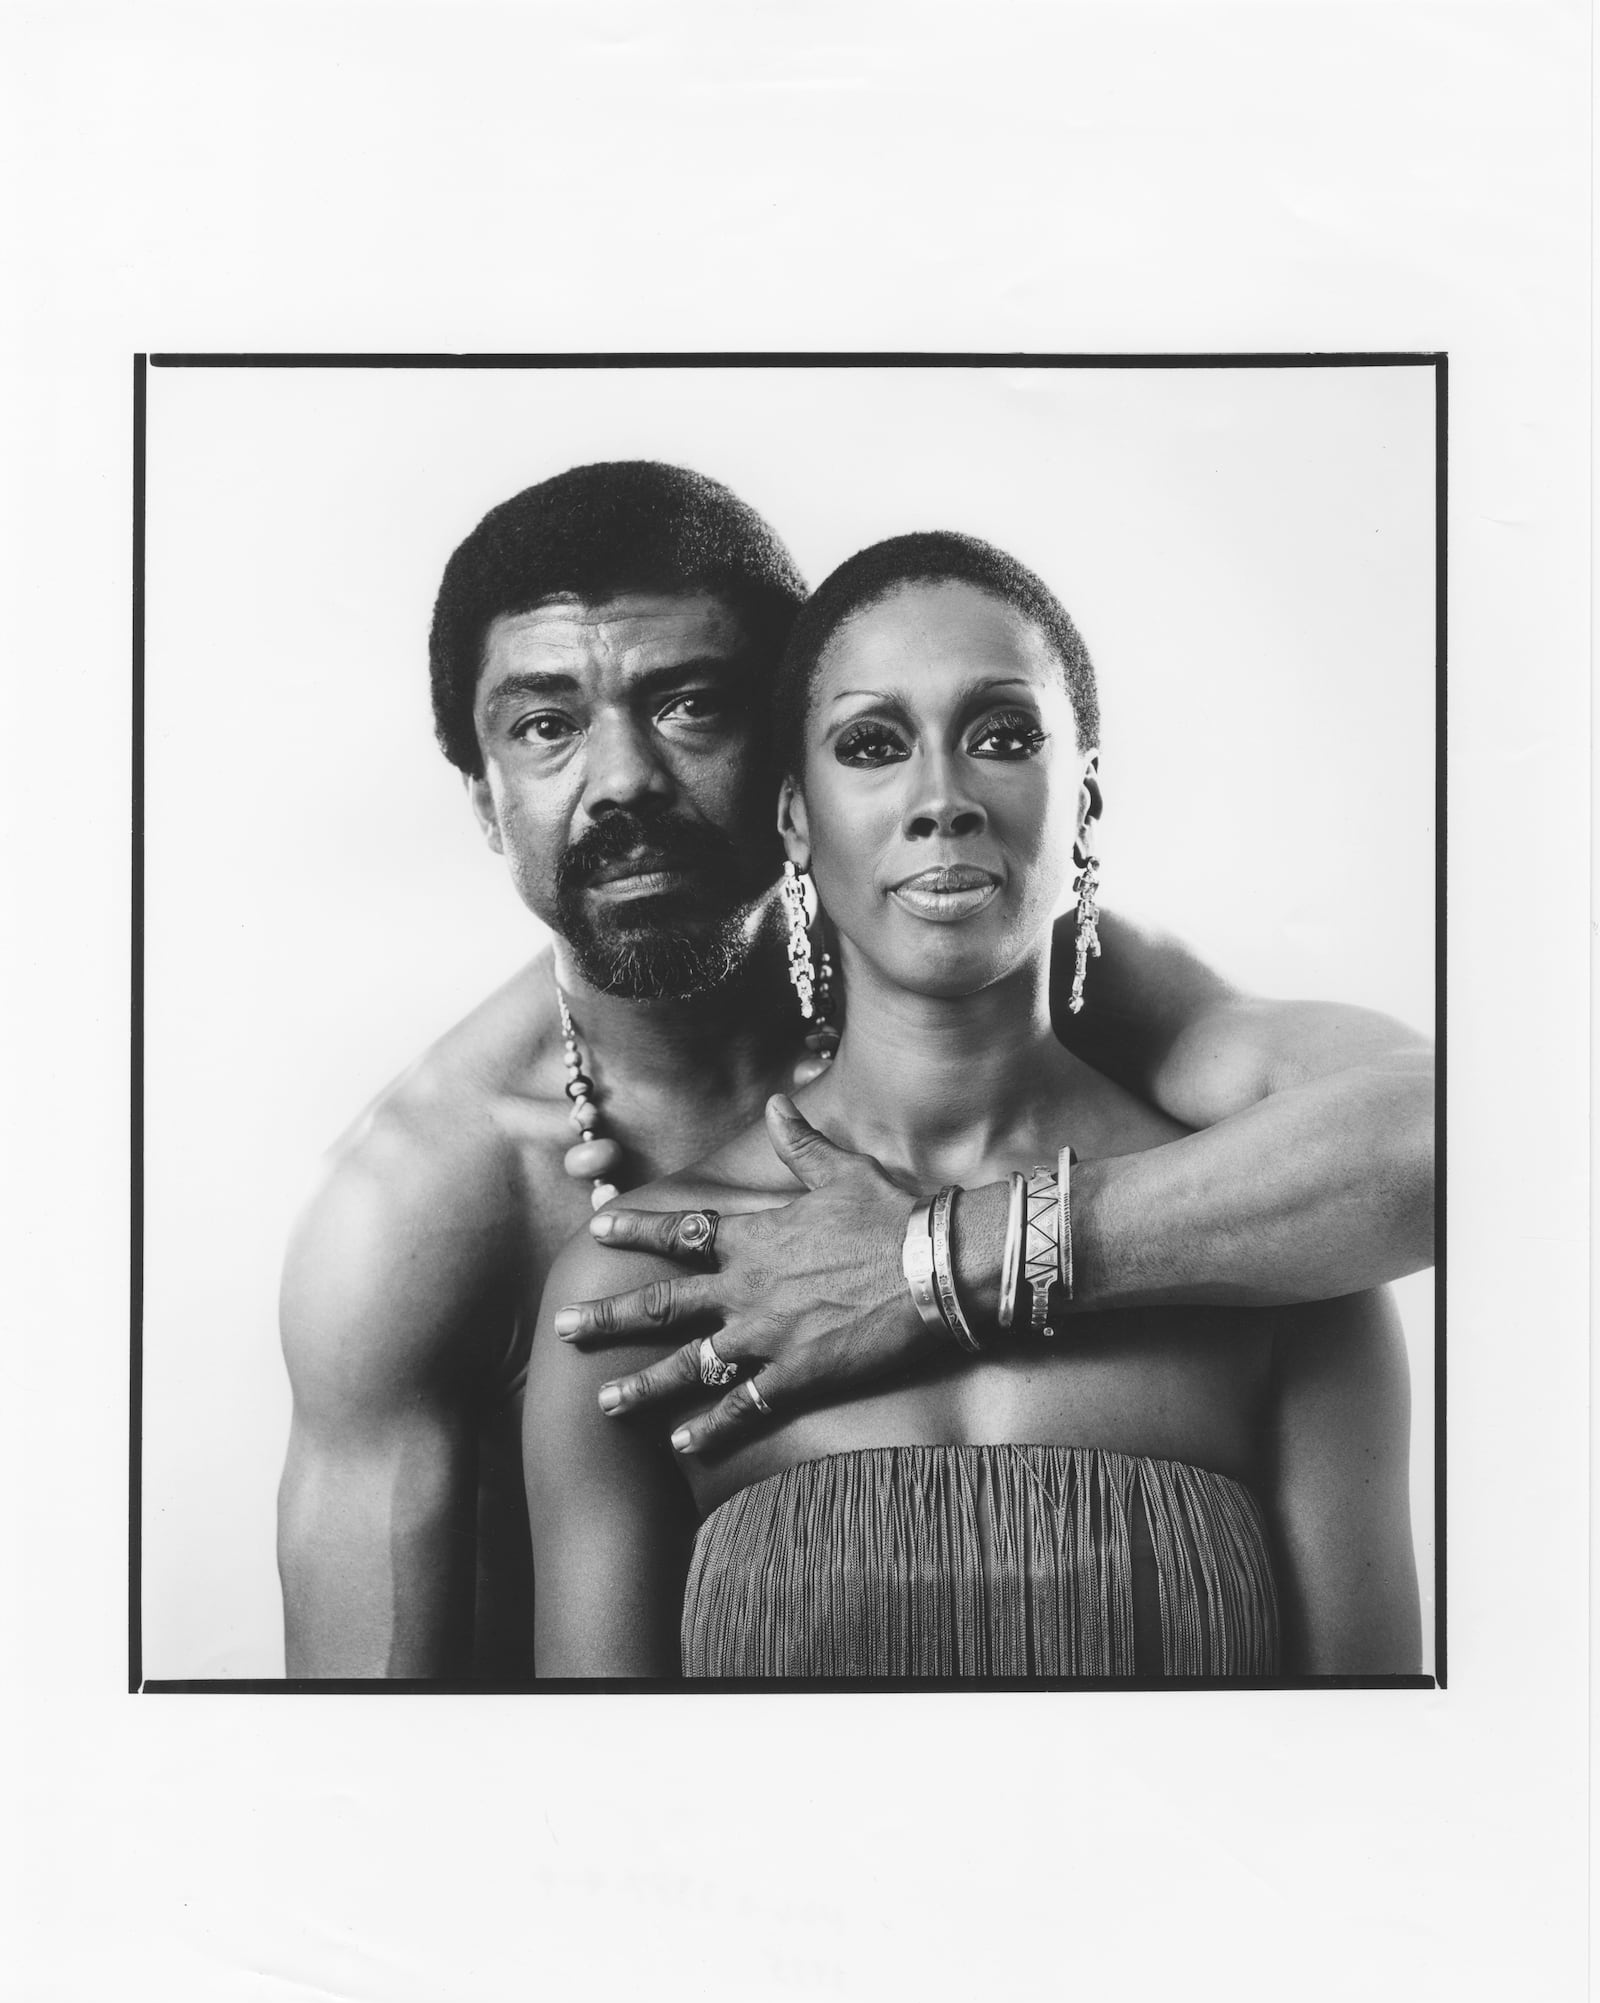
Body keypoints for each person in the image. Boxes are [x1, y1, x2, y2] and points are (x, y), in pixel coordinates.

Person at [278, 462, 1433, 1679]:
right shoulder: (413, 1215)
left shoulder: (1051, 970)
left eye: (686, 704)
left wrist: (925, 1260)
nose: (620, 779)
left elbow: (1457, 1134)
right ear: (482, 794)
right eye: (546, 724)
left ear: (782, 757)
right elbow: (368, 1762)